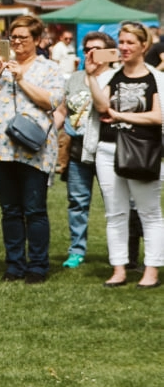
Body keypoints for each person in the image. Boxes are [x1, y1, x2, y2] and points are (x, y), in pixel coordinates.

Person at [0, 15, 67, 283]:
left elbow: (51, 101)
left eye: (24, 37)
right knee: (10, 210)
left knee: (34, 210)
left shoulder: (50, 69)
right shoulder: (2, 66)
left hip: (35, 150)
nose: (18, 41)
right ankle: (14, 265)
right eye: (14, 37)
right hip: (3, 149)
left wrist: (21, 79)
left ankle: (37, 266)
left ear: (37, 40)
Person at [90, 21, 163, 288]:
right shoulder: (111, 76)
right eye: (121, 42)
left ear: (144, 45)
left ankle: (151, 270)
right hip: (108, 149)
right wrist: (90, 76)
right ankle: (119, 268)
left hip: (144, 150)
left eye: (130, 42)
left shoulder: (156, 78)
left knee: (149, 212)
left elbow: (158, 117)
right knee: (115, 213)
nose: (124, 47)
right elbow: (101, 107)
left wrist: (121, 115)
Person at [61, 32, 117, 269]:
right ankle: (76, 250)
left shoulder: (117, 77)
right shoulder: (74, 78)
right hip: (77, 149)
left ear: (108, 52)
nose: (91, 53)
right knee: (77, 202)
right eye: (86, 49)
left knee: (114, 203)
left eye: (96, 48)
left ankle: (119, 251)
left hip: (108, 148)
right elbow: (63, 110)